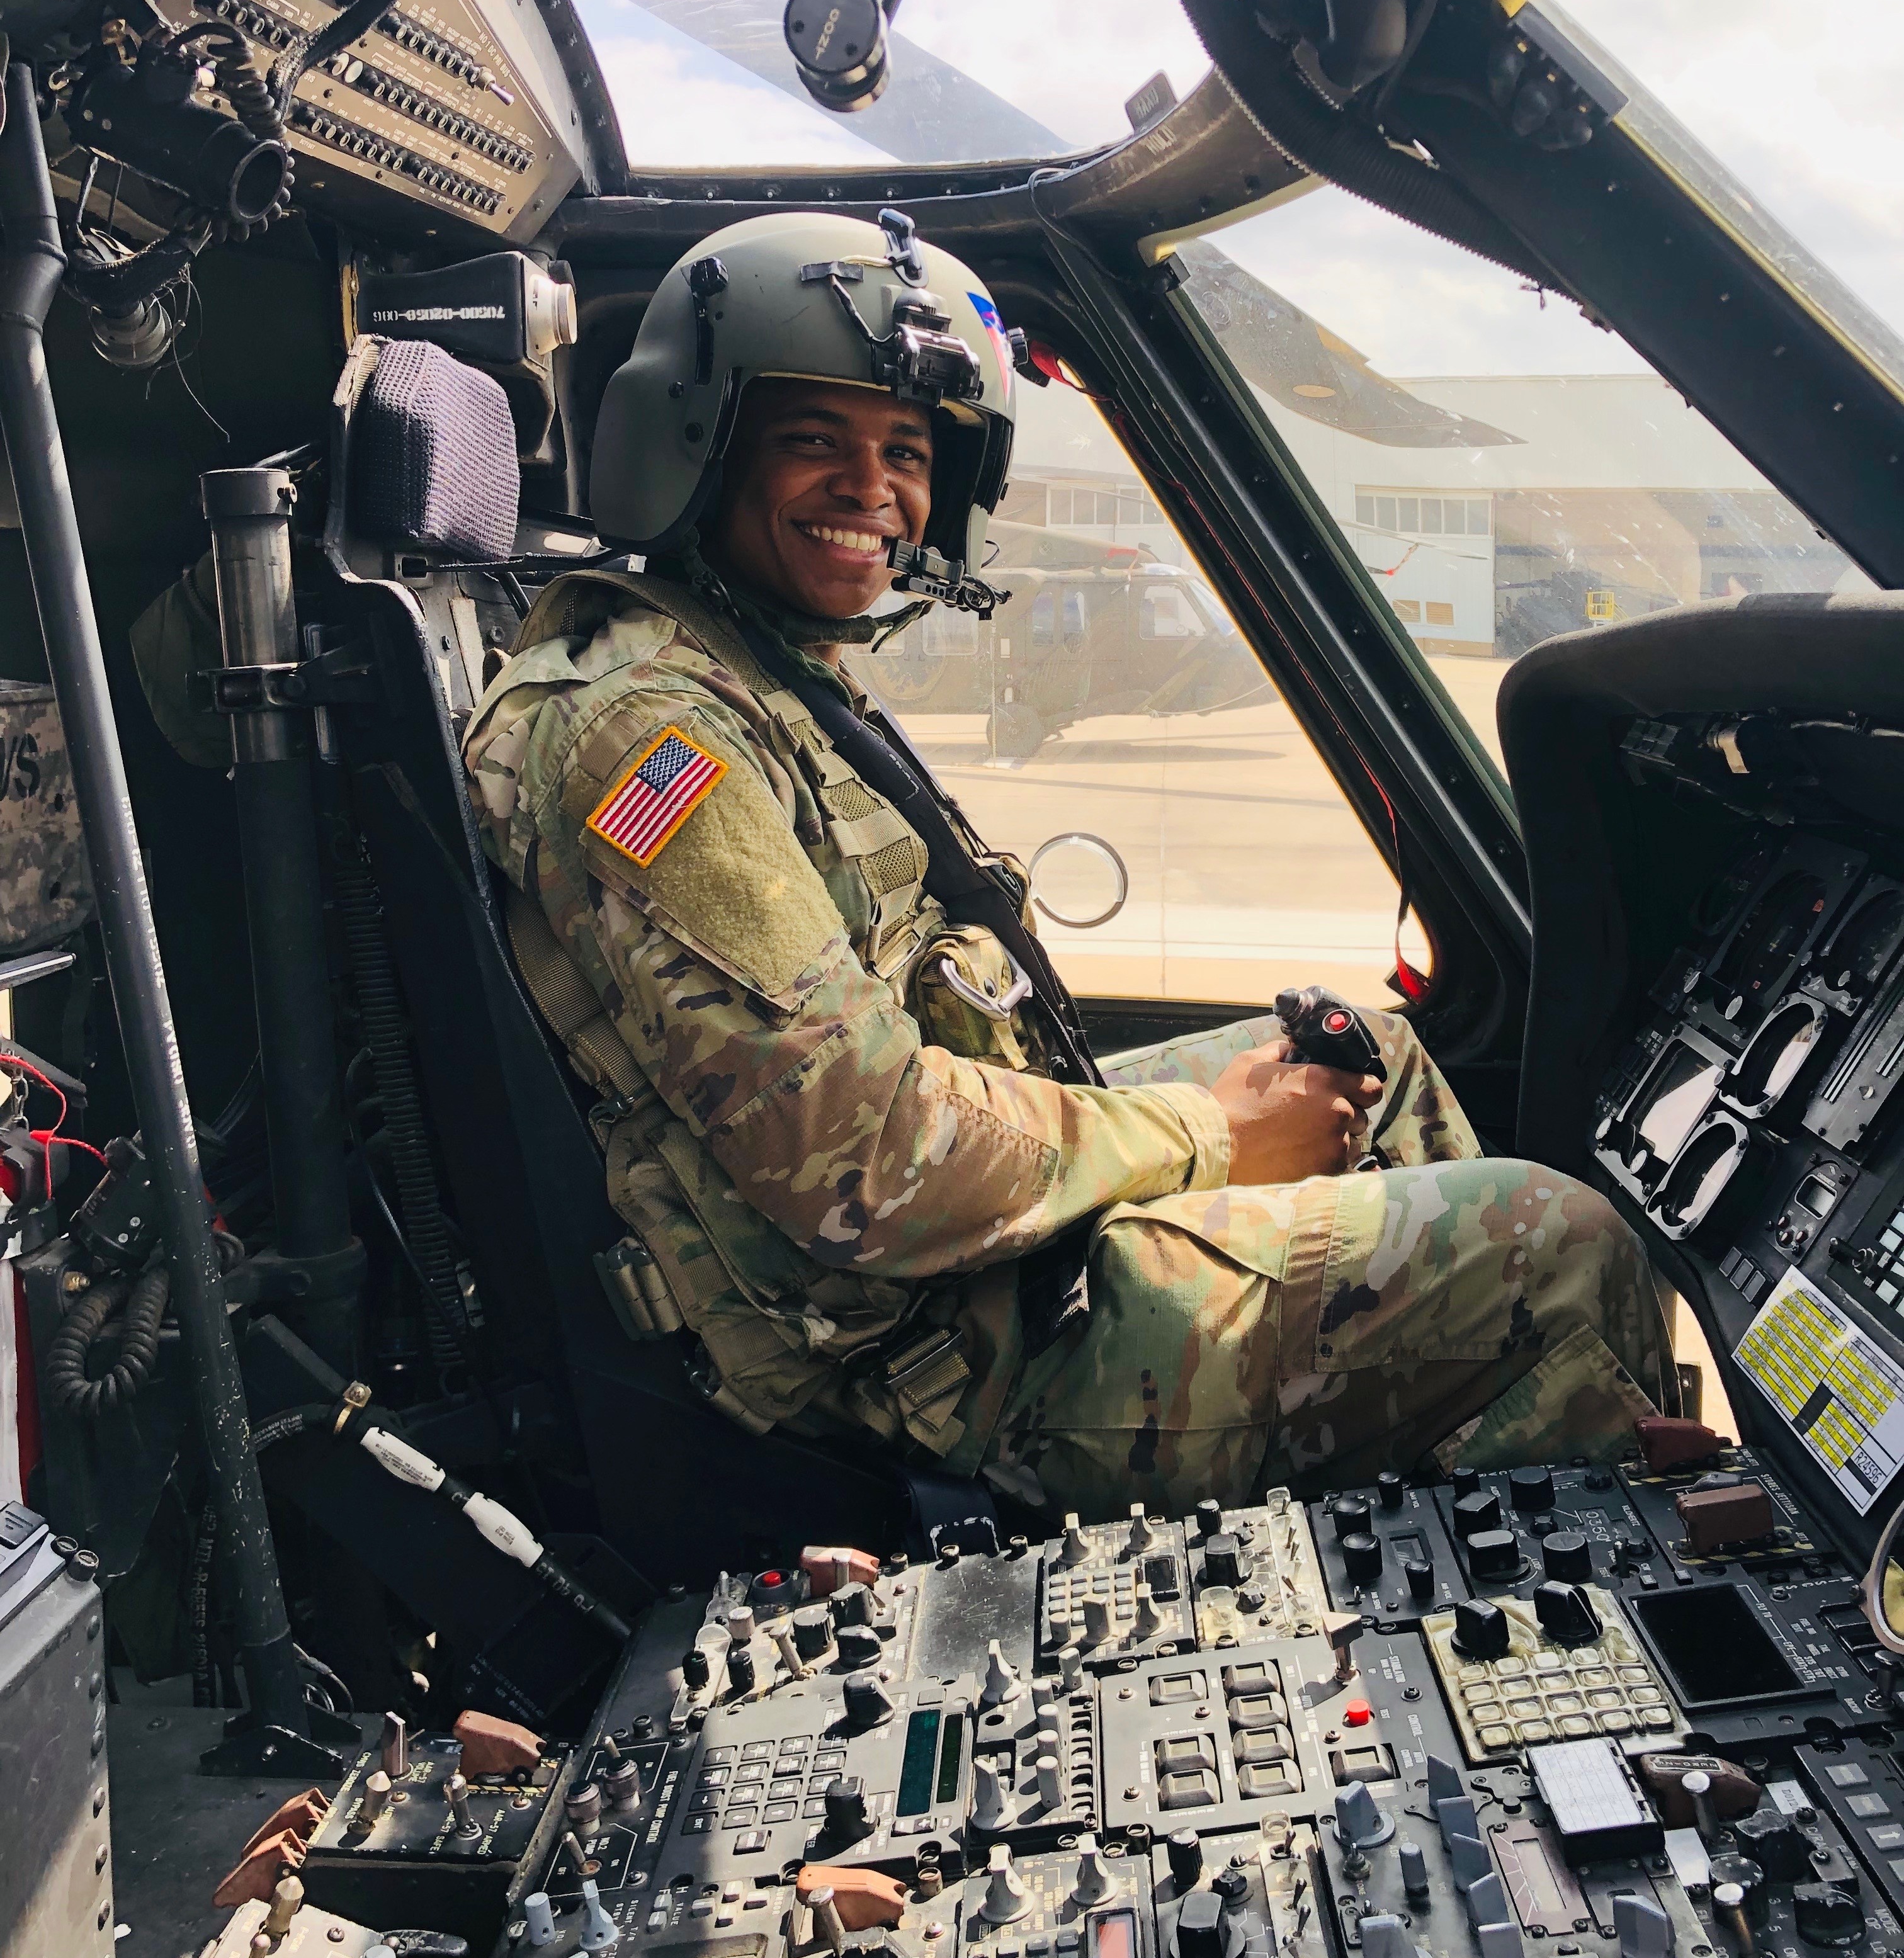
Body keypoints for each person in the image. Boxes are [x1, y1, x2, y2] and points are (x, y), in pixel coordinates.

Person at [464, 210, 1674, 1519]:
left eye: (905, 451)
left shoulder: (750, 665)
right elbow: (860, 1160)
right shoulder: (649, 736)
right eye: (814, 440)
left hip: (955, 1262)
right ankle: (1615, 1593)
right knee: (1561, 1248)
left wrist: (1224, 1143)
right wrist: (1216, 1138)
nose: (873, 490)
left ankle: (1421, 1482)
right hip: (931, 1358)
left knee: (1367, 1067)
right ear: (696, 442)